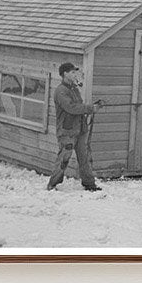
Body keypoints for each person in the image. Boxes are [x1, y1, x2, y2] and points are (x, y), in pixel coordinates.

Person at [47, 62, 104, 192]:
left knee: (85, 158)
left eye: (75, 72)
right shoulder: (61, 91)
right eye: (72, 72)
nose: (75, 75)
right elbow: (71, 108)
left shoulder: (74, 89)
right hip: (67, 132)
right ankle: (53, 184)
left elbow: (79, 106)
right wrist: (90, 108)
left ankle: (89, 184)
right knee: (64, 159)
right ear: (65, 74)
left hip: (80, 130)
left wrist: (92, 107)